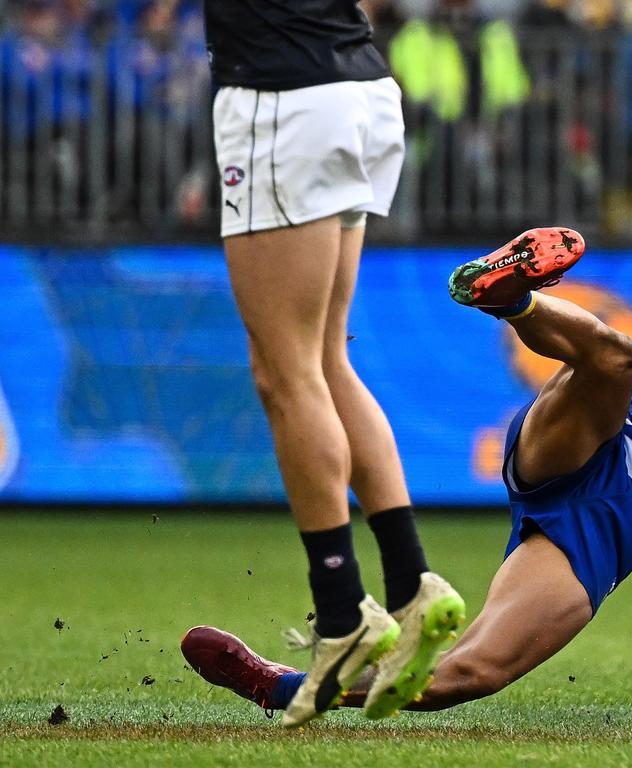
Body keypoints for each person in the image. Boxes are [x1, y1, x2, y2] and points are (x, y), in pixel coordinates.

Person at [182, 60, 632, 715]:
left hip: (624, 518)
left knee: (471, 673)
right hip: (584, 431)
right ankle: (511, 298)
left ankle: (284, 686)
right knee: (616, 357)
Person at [196, 0, 464, 728]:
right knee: (324, 360)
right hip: (362, 86)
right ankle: (411, 589)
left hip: (283, 97)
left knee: (285, 374)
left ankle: (344, 614)